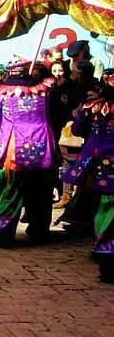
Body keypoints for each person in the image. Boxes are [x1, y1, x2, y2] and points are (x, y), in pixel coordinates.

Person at [0, 62, 56, 248]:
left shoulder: (0, 94)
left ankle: (3, 232)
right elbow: (52, 116)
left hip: (11, 146)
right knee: (41, 191)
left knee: (9, 189)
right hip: (41, 146)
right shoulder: (45, 92)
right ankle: (39, 230)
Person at [61, 69, 114, 283]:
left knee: (102, 207)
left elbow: (78, 130)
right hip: (102, 167)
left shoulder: (91, 107)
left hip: (96, 164)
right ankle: (106, 255)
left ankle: (102, 253)